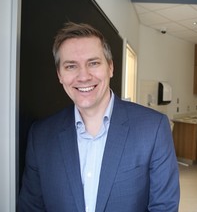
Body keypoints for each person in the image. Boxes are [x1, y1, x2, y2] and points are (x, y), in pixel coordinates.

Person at [18, 22, 180, 212]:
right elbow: (31, 208)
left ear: (110, 67)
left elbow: (164, 208)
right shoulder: (41, 136)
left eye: (93, 63)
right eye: (71, 66)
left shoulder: (153, 129)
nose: (84, 76)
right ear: (60, 75)